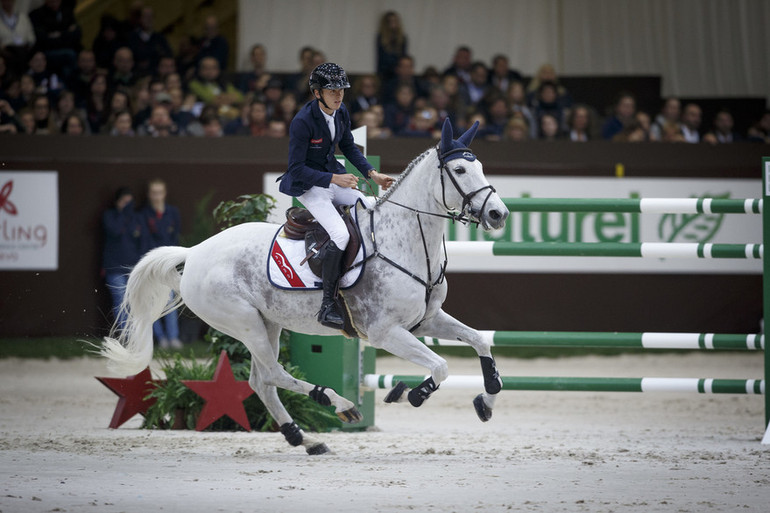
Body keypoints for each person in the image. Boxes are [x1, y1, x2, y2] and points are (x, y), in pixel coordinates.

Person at [279, 63, 393, 329]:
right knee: (340, 234)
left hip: (332, 176)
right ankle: (327, 304)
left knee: (371, 207)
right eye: (332, 90)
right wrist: (334, 179)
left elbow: (349, 147)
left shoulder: (341, 112)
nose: (339, 95)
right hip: (308, 185)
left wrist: (371, 174)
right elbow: (296, 168)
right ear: (317, 93)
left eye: (341, 89)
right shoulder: (302, 121)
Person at [141, 178, 183, 348]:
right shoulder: (144, 214)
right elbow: (146, 238)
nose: (157, 196)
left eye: (159, 192)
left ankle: (173, 337)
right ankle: (161, 337)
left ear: (164, 193)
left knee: (170, 301)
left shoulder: (172, 213)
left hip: (168, 263)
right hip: (152, 263)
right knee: (152, 303)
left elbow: (174, 236)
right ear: (149, 195)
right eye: (154, 193)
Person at [102, 186, 145, 329]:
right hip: (114, 266)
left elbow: (140, 239)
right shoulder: (109, 215)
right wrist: (122, 214)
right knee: (120, 300)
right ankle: (126, 334)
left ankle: (136, 333)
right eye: (124, 202)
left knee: (134, 300)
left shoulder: (136, 218)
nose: (127, 206)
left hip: (132, 265)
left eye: (129, 203)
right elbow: (114, 230)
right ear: (117, 202)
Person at [375, 11, 407, 83]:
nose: (393, 24)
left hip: (398, 72)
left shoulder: (402, 38)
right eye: (390, 21)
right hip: (384, 72)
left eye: (395, 21)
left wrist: (400, 68)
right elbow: (381, 57)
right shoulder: (381, 38)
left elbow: (403, 56)